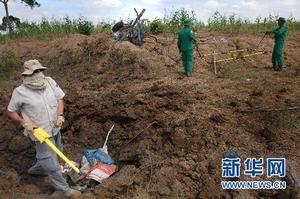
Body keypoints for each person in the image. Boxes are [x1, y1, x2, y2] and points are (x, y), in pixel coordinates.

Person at [6, 60, 80, 197]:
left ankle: (36, 170)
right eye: (34, 72)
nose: (37, 74)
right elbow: (11, 112)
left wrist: (60, 115)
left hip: (55, 128)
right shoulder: (20, 92)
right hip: (40, 133)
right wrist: (23, 122)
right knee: (50, 162)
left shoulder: (50, 82)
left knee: (56, 153)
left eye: (39, 70)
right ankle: (65, 190)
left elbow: (59, 99)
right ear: (27, 74)